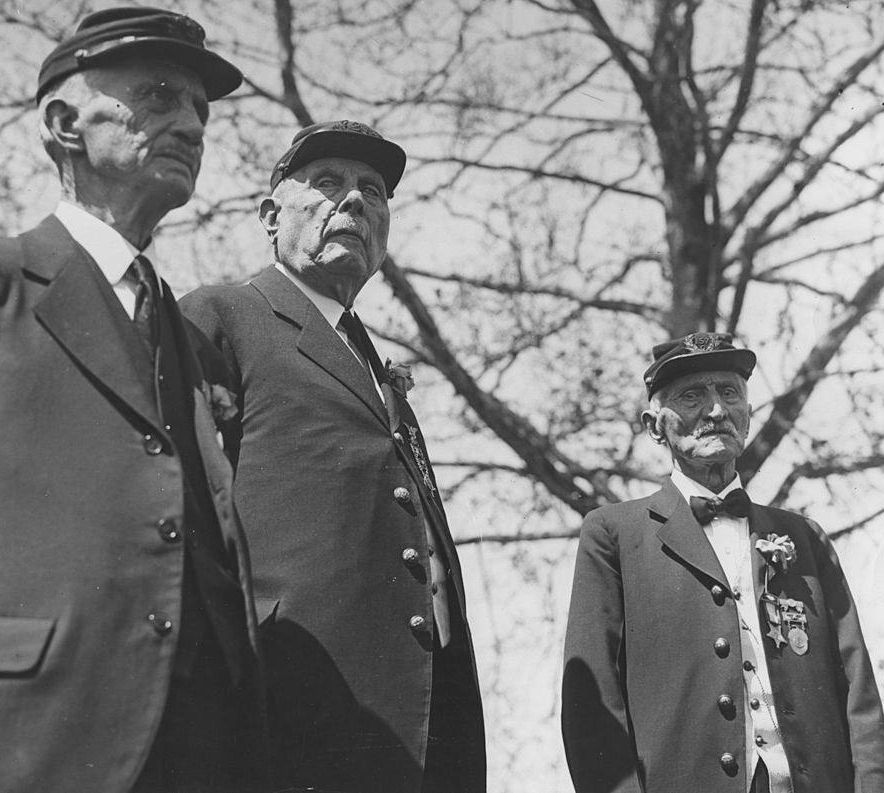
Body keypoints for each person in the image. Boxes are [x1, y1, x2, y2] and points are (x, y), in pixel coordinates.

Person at [0, 8, 269, 793]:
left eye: (200, 110)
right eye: (158, 96)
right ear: (64, 123)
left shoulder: (193, 343)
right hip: (9, 746)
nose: (189, 124)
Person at [179, 120, 486, 793]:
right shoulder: (223, 316)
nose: (353, 202)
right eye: (326, 183)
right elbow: (177, 516)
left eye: (373, 191)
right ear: (270, 216)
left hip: (420, 727)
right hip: (290, 713)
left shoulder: (373, 361)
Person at [561, 332, 884, 793]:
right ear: (655, 425)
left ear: (748, 415)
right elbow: (591, 708)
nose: (716, 410)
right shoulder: (614, 535)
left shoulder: (803, 538)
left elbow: (859, 692)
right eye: (692, 396)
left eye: (729, 392)